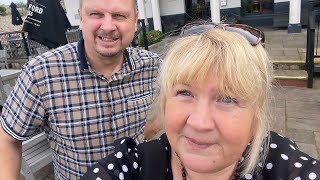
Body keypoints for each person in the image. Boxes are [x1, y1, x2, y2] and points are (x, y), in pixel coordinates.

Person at [80, 22, 320, 180]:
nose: (200, 122)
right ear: (164, 103)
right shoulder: (133, 167)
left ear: (256, 117)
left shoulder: (283, 166)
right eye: (185, 93)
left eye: (227, 98)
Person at [0, 0, 161, 179]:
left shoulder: (152, 66)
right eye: (96, 14)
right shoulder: (41, 73)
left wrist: (145, 134)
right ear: (81, 18)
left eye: (119, 15)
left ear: (135, 19)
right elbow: (8, 138)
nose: (108, 26)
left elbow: (173, 108)